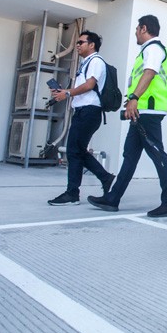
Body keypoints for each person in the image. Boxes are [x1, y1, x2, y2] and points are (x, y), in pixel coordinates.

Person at [88, 15, 167, 217]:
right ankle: (112, 199)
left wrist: (134, 97)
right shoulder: (147, 51)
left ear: (144, 28)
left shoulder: (154, 48)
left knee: (157, 154)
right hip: (141, 112)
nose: (136, 33)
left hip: (148, 111)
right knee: (130, 156)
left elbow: (150, 73)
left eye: (137, 29)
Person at [47, 31, 116, 206]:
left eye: (81, 42)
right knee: (77, 150)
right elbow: (83, 87)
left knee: (74, 150)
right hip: (83, 111)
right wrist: (63, 92)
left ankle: (73, 193)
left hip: (89, 111)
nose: (77, 45)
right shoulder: (86, 63)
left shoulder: (95, 61)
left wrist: (68, 93)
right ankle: (105, 178)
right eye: (77, 43)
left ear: (91, 45)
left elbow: (89, 85)